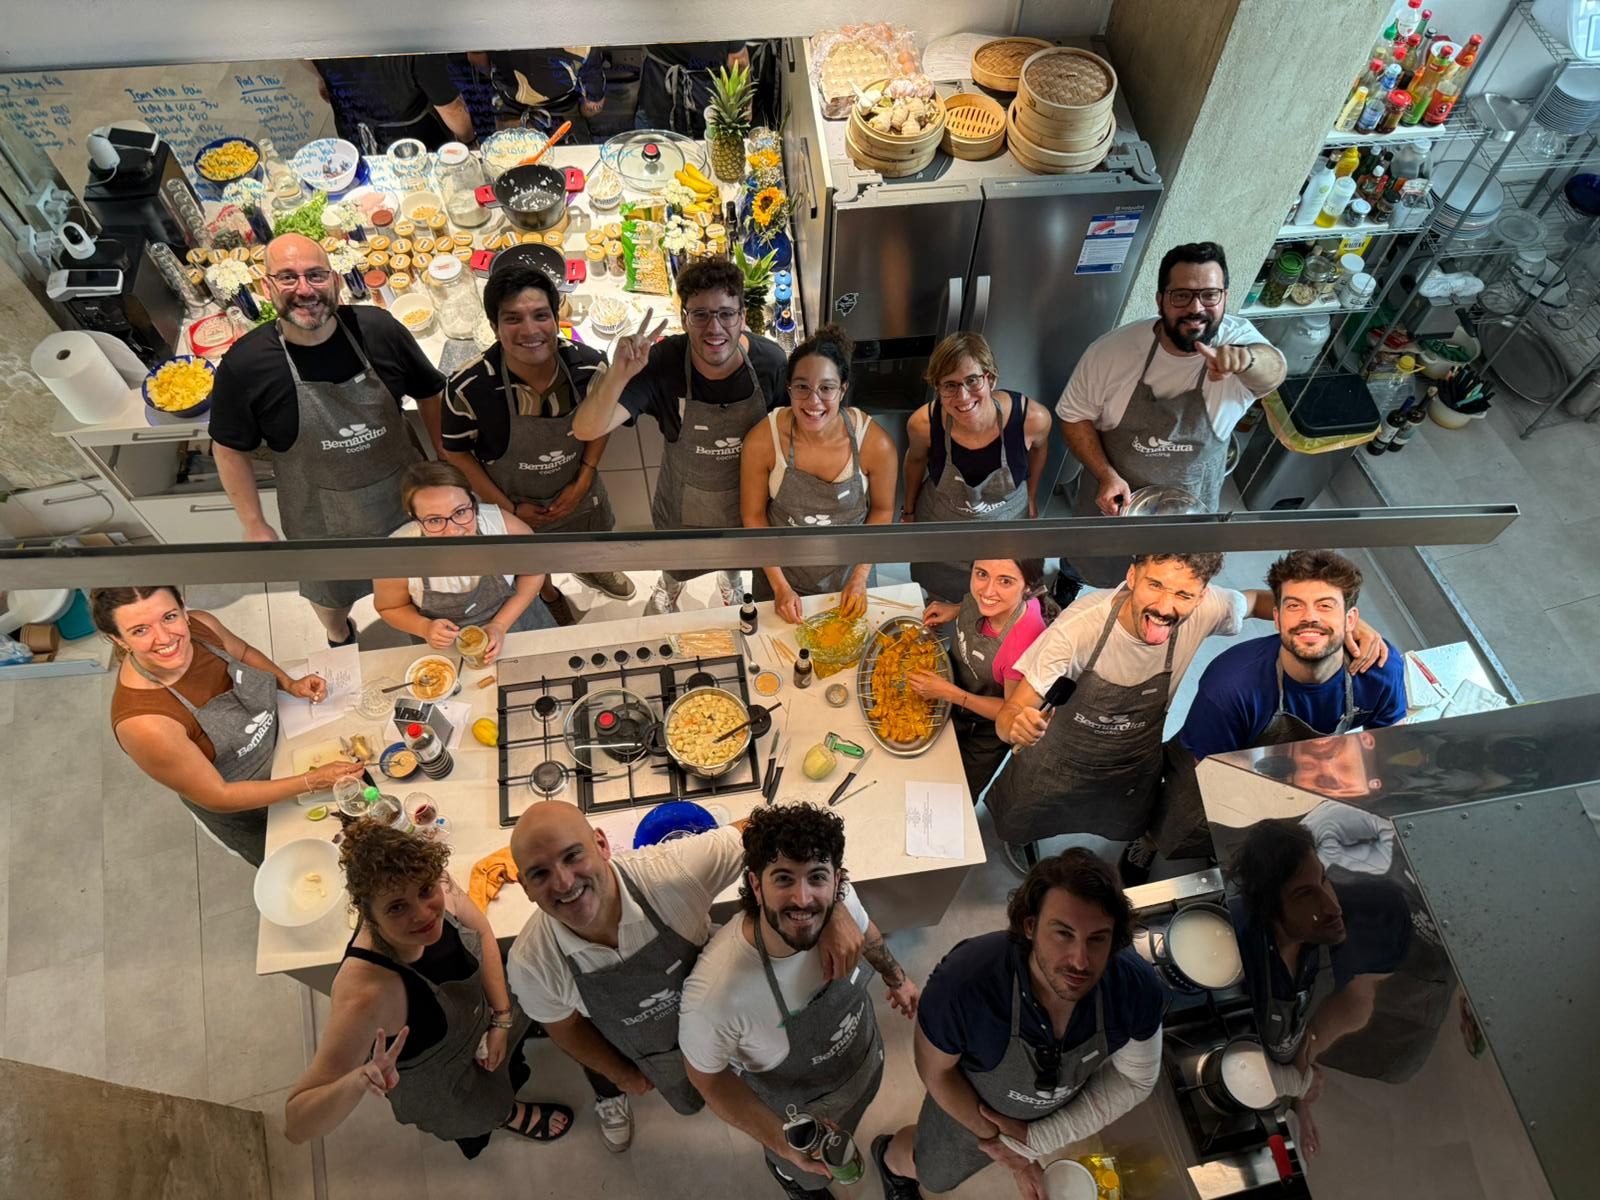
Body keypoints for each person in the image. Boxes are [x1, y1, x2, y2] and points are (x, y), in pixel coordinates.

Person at [990, 553, 1388, 875]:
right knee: (1029, 807)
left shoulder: (1208, 607)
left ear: (1201, 597)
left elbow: (1263, 602)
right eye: (1155, 584)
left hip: (1132, 753)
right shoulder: (1077, 629)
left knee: (1123, 815)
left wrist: (1347, 623)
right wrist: (1016, 726)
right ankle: (1020, 837)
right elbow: (1010, 715)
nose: (1165, 606)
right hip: (1059, 753)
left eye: (1184, 593)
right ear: (1132, 575)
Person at [505, 801, 862, 1155]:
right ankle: (609, 1098)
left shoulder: (673, 871)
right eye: (540, 874)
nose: (564, 882)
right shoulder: (532, 965)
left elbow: (775, 830)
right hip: (650, 1048)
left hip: (724, 1009)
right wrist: (619, 1075)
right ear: (525, 887)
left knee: (744, 1078)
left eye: (572, 856)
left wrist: (833, 909)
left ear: (601, 844)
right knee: (685, 1094)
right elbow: (566, 1028)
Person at [874, 849, 1164, 1200]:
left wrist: (1036, 1141)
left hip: (1044, 1117)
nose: (1080, 961)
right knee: (932, 1173)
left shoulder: (1135, 989)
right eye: (1063, 933)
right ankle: (890, 1159)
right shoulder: (965, 983)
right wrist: (1005, 1147)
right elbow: (935, 1072)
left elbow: (1137, 1077)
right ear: (1030, 926)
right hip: (969, 1112)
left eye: (1097, 938)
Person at [285, 819, 572, 1155]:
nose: (422, 914)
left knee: (513, 1047)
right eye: (397, 907)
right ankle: (510, 1115)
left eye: (425, 891)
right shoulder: (366, 993)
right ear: (368, 914)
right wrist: (359, 1078)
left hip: (482, 1018)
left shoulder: (436, 884)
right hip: (438, 1077)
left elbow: (481, 931)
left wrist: (501, 1019)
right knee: (482, 1109)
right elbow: (296, 1122)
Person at [210, 233, 443, 646]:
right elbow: (227, 448)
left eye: (315, 275)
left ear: (335, 282)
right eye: (287, 278)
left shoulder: (378, 330)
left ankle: (424, 630)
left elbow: (430, 393)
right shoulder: (246, 365)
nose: (304, 290)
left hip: (406, 496)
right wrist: (254, 524)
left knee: (424, 586)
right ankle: (339, 637)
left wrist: (447, 466)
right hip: (319, 519)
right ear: (266, 288)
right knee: (330, 594)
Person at [679, 803, 919, 1199]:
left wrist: (898, 979)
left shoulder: (840, 903)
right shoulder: (715, 995)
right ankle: (797, 1184)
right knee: (810, 1176)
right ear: (756, 885)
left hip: (860, 1066)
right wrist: (779, 1143)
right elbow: (705, 1076)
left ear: (837, 881)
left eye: (817, 878)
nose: (803, 899)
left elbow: (866, 929)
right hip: (798, 1123)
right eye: (784, 879)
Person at [1129, 550, 1410, 882]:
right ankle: (1148, 842)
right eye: (1294, 606)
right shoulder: (1231, 685)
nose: (1310, 618)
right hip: (1216, 769)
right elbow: (1209, 772)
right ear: (1276, 618)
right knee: (1178, 820)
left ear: (1351, 620)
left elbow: (1386, 741)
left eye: (1325, 606)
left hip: (1303, 775)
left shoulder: (1380, 670)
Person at [1056, 242, 1287, 586]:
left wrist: (1245, 361)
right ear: (1160, 299)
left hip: (1187, 516)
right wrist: (1105, 474)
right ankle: (1068, 584)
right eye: (1181, 296)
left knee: (1168, 585)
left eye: (1209, 295)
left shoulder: (1240, 345)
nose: (1196, 308)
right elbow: (1073, 416)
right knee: (1086, 562)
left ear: (1224, 296)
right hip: (1113, 503)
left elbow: (1274, 369)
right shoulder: (1112, 352)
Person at [572, 258, 787, 614]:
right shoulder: (662, 362)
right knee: (677, 558)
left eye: (726, 314)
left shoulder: (771, 363)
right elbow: (586, 428)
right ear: (684, 318)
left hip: (747, 498)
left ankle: (730, 580)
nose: (714, 328)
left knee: (735, 553)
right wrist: (620, 373)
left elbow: (785, 436)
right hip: (683, 499)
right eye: (700, 314)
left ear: (743, 317)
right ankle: (669, 585)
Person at [97, 585, 364, 865]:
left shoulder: (203, 626)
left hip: (288, 750)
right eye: (140, 630)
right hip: (250, 805)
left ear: (184, 609)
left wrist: (287, 683)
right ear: (118, 639)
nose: (165, 637)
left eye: (169, 617)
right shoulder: (144, 723)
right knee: (309, 863)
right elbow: (219, 795)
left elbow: (245, 652)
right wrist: (312, 781)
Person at [440, 265, 636, 615]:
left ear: (556, 317)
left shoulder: (589, 367)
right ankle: (548, 595)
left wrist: (585, 477)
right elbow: (457, 454)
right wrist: (509, 509)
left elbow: (603, 423)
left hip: (578, 490)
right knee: (531, 560)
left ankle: (595, 567)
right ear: (493, 327)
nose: (530, 331)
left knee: (593, 541)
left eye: (540, 315)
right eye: (513, 319)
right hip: (513, 501)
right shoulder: (469, 387)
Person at [1226, 819, 1410, 1153]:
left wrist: (1304, 1066)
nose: (1331, 905)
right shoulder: (1238, 959)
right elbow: (1231, 1058)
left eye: (1324, 879)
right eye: (1305, 894)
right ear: (1270, 908)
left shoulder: (1311, 939)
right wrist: (1298, 1084)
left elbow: (1345, 1007)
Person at [740, 325, 897, 622]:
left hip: (850, 578)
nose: (813, 402)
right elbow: (754, 517)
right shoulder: (763, 439)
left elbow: (882, 511)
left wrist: (861, 576)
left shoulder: (876, 444)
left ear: (843, 388)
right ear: (788, 388)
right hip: (780, 576)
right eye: (802, 387)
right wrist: (780, 587)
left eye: (826, 388)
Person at [901, 333, 1053, 604]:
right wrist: (909, 511)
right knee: (937, 595)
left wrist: (1030, 497)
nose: (962, 396)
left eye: (972, 380)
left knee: (996, 593)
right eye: (949, 385)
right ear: (937, 388)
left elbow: (1040, 450)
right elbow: (914, 462)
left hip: (1004, 527)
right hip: (941, 526)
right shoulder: (923, 424)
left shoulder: (1031, 419)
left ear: (990, 378)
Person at [374, 460, 553, 658]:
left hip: (515, 620)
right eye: (434, 520)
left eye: (460, 512)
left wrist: (500, 625)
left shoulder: (503, 528)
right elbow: (390, 606)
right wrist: (424, 627)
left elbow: (534, 571)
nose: (453, 530)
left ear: (474, 504)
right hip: (445, 646)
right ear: (415, 518)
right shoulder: (398, 554)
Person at [911, 559, 1055, 801]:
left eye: (1005, 581)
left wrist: (950, 694)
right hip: (953, 691)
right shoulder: (991, 597)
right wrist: (956, 609)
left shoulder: (1022, 643)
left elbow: (1011, 710)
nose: (987, 591)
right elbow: (982, 600)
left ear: (1027, 586)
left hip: (981, 732)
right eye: (981, 574)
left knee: (956, 793)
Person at [312, 54, 477, 150]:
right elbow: (452, 109)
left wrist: (321, 77)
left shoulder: (324, 26)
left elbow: (297, 48)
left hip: (352, 136)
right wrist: (468, 140)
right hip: (413, 145)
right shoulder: (413, 41)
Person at [470, 47, 608, 138]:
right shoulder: (584, 39)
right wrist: (582, 112)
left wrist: (498, 76)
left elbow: (477, 59)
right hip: (562, 109)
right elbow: (593, 103)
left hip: (508, 103)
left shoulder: (490, 17)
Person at [635, 42, 751, 135]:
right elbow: (739, 62)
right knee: (707, 159)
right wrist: (746, 105)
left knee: (652, 158)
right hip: (705, 107)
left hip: (658, 98)